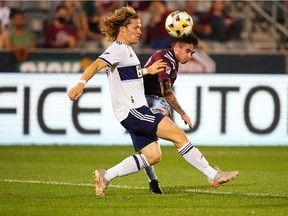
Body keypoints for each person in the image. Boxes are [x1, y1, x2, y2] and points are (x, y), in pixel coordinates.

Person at [68, 6, 238, 197]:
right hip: (134, 111)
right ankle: (212, 174)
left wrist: (146, 71)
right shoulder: (117, 49)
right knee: (178, 135)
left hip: (133, 111)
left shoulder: (127, 51)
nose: (140, 31)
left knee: (152, 156)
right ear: (123, 29)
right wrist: (80, 84)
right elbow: (96, 64)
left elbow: (125, 76)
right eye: (136, 27)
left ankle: (106, 175)